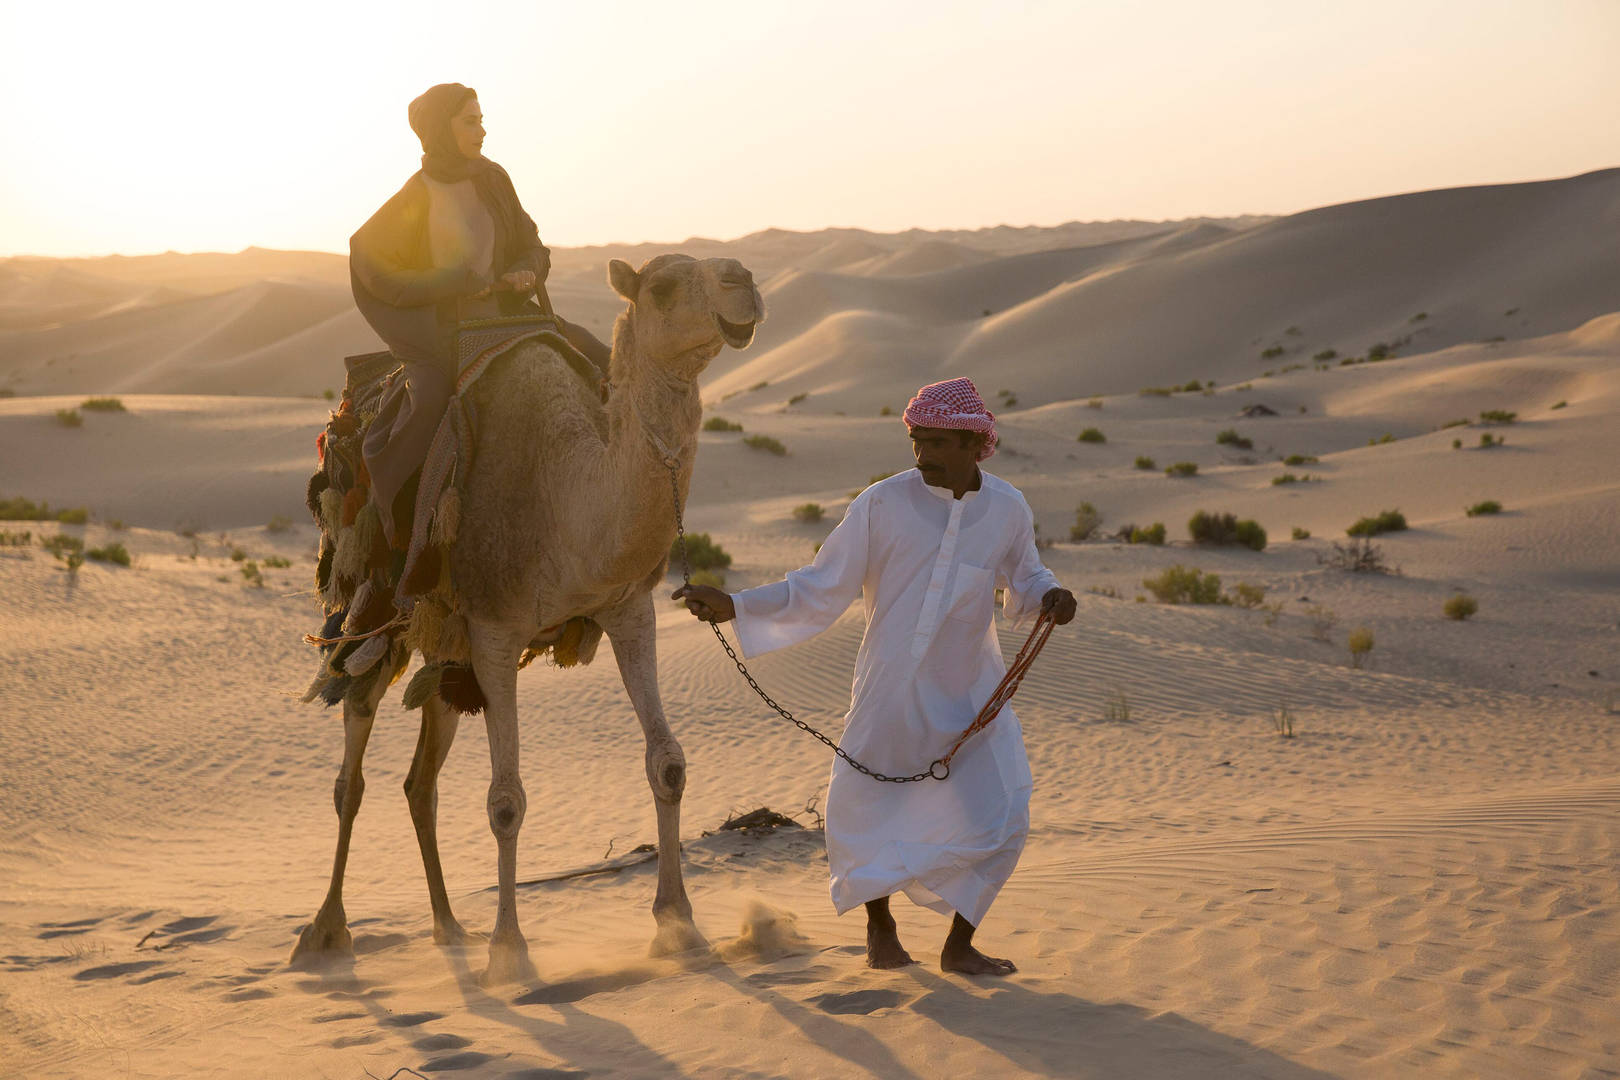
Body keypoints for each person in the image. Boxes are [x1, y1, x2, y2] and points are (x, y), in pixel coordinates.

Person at [674, 377, 1077, 975]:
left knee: (1005, 808)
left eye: (937, 443)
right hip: (887, 688)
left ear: (974, 443)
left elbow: (1027, 575)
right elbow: (822, 584)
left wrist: (1051, 595)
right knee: (863, 808)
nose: (922, 456)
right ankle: (880, 930)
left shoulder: (1007, 508)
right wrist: (738, 604)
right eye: (916, 441)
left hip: (971, 694)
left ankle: (958, 945)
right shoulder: (882, 503)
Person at [349, 82, 611, 544]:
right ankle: (396, 520)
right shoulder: (415, 196)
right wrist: (452, 281)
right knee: (427, 399)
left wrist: (527, 271)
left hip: (511, 318)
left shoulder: (493, 179)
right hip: (445, 332)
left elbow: (533, 244)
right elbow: (369, 260)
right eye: (470, 121)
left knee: (594, 357)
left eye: (482, 119)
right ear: (439, 128)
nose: (482, 130)